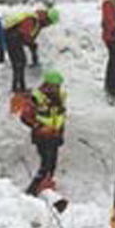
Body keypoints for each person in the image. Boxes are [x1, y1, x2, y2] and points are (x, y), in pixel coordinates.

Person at [20, 70, 68, 212]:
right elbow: (25, 117)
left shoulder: (60, 96)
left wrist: (60, 133)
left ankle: (46, 187)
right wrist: (39, 126)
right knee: (45, 164)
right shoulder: (37, 97)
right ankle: (32, 191)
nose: (55, 88)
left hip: (54, 135)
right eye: (53, 86)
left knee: (52, 164)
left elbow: (61, 117)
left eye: (57, 86)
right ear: (46, 84)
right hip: (42, 136)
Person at [4, 7, 59, 93]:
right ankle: (18, 88)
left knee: (20, 63)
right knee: (19, 63)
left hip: (14, 39)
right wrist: (31, 44)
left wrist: (32, 45)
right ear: (47, 19)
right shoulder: (33, 20)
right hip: (12, 39)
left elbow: (28, 36)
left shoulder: (38, 22)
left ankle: (19, 87)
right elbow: (24, 34)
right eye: (50, 23)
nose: (49, 25)